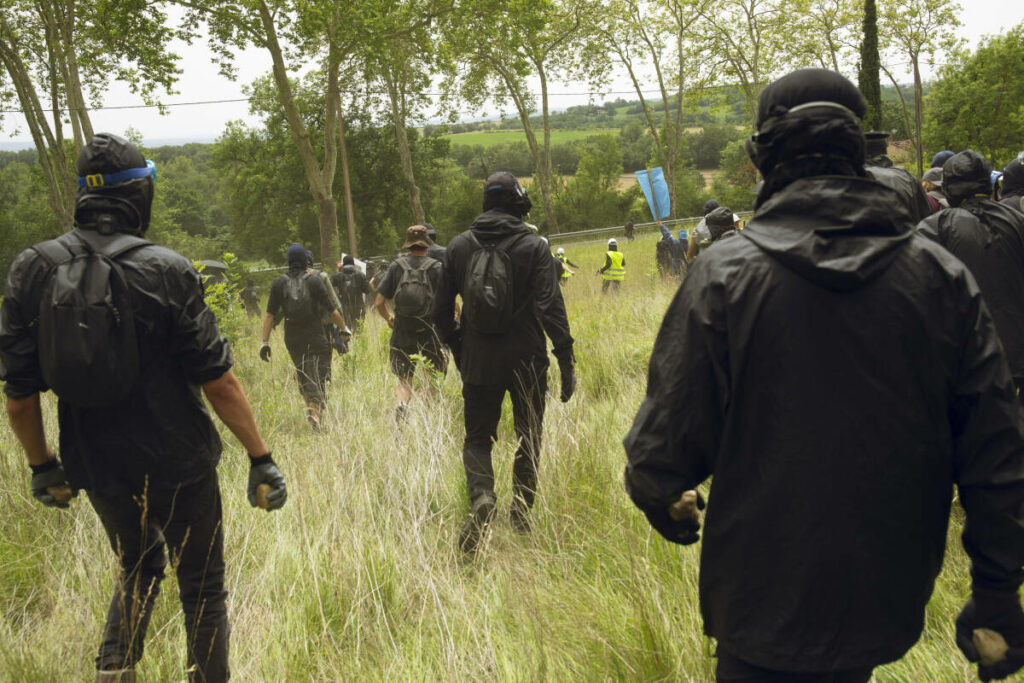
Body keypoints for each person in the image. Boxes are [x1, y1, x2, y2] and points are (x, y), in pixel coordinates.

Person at [623, 69, 1024, 683]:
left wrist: (668, 503)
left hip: (758, 601)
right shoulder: (938, 277)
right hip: (884, 596)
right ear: (857, 153)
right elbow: (995, 453)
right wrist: (997, 589)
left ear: (761, 159)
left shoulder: (725, 276)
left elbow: (661, 454)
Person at [0, 133, 287, 683]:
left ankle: (114, 672)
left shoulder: (31, 269)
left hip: (96, 462)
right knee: (202, 585)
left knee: (136, 564)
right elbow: (219, 380)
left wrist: (42, 466)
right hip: (178, 459)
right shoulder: (169, 269)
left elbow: (19, 394)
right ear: (140, 196)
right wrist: (261, 457)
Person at [433, 171, 575, 553]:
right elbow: (550, 307)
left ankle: (482, 496)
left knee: (478, 438)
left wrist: (461, 351)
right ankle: (521, 513)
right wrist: (565, 358)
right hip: (527, 357)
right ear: (518, 202)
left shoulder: (458, 247)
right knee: (530, 433)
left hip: (479, 358)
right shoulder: (534, 246)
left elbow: (440, 312)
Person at [918, 149, 1024, 401]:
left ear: (950, 187)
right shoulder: (1016, 219)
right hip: (1017, 357)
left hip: (964, 359)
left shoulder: (934, 227)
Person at [261, 243, 350, 430]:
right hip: (316, 334)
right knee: (318, 374)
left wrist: (264, 342)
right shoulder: (314, 281)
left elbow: (270, 316)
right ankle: (315, 413)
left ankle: (312, 407)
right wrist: (344, 328)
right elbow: (332, 310)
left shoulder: (279, 283)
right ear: (305, 260)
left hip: (293, 338)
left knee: (303, 371)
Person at [374, 225, 447, 421]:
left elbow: (379, 302)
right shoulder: (437, 267)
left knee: (404, 379)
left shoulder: (396, 266)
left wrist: (389, 319)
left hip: (402, 329)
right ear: (427, 243)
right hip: (430, 329)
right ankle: (427, 415)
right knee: (433, 375)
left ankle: (402, 404)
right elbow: (449, 302)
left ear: (408, 243)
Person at [863, 131, 932, 223]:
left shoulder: (855, 178)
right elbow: (926, 216)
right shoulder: (907, 177)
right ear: (885, 150)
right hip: (909, 234)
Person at [331, 254, 370, 334]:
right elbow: (367, 290)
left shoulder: (338, 275)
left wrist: (337, 270)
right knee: (358, 330)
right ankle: (358, 344)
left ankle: (347, 345)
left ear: (343, 264)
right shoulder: (360, 274)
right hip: (358, 306)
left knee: (346, 330)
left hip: (344, 307)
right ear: (353, 263)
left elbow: (330, 287)